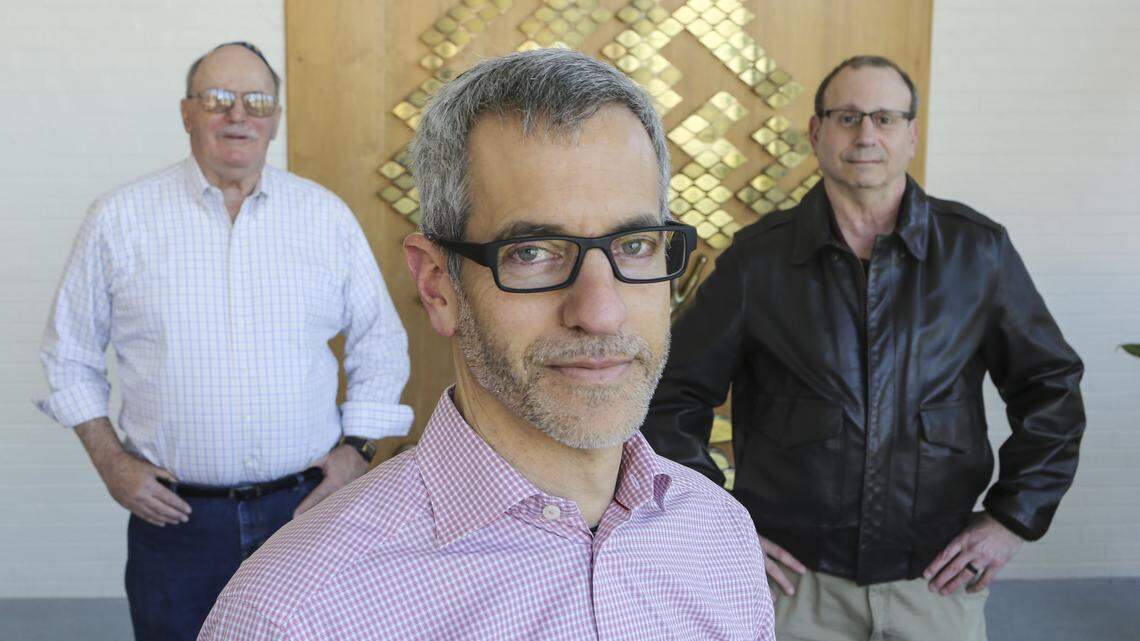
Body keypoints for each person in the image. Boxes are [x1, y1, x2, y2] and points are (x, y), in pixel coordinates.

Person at [198, 49, 776, 641]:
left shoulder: (719, 538)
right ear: (437, 285)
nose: (601, 312)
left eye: (634, 246)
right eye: (531, 253)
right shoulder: (297, 613)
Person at [643, 55, 1086, 641]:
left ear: (911, 134)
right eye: (847, 117)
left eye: (884, 117)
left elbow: (1050, 388)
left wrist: (1012, 520)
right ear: (816, 132)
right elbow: (672, 396)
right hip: (794, 588)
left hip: (935, 580)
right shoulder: (757, 260)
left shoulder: (976, 252)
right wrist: (719, 528)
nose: (866, 135)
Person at [36, 42, 411, 641]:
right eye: (217, 99)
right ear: (187, 113)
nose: (238, 115)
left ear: (275, 118)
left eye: (257, 101)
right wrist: (112, 462)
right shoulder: (119, 219)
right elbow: (70, 356)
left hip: (305, 512)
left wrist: (355, 454)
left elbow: (381, 344)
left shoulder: (325, 218)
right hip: (176, 522)